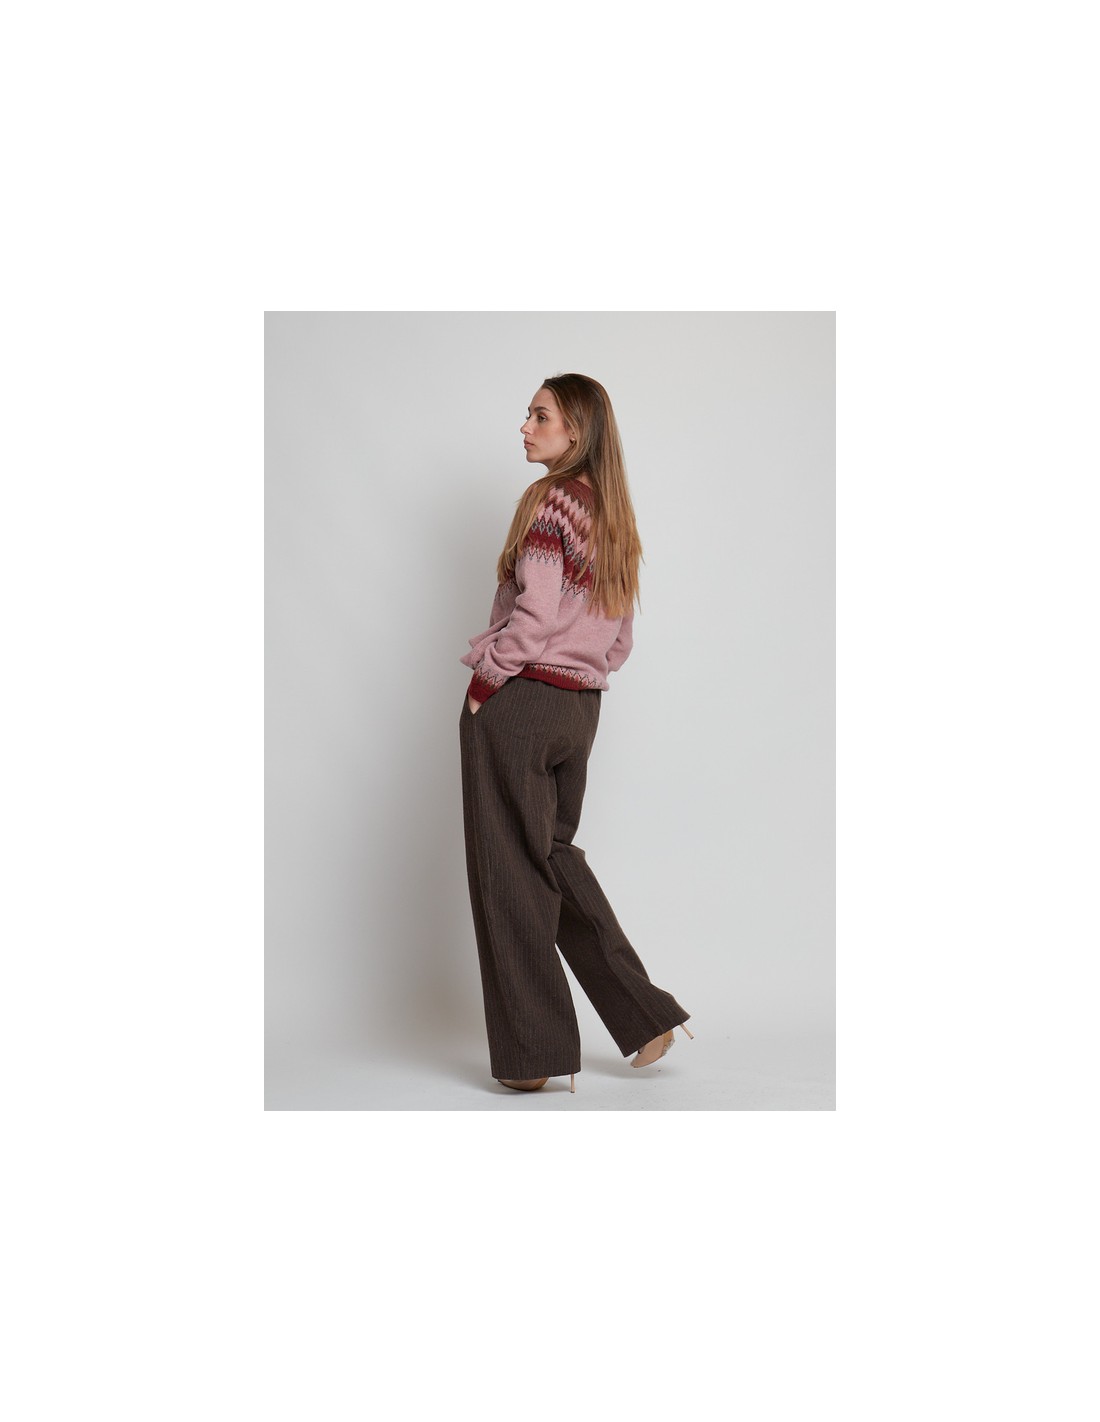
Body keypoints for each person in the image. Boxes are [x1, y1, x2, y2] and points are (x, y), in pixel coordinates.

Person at [457, 372, 693, 1095]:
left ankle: (533, 1056)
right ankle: (645, 1017)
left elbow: (533, 614)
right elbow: (619, 639)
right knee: (552, 857)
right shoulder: (614, 517)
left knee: (509, 872)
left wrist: (485, 681)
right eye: (528, 415)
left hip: (522, 700)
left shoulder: (551, 501)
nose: (525, 427)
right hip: (579, 708)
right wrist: (583, 673)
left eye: (541, 416)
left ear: (576, 431)